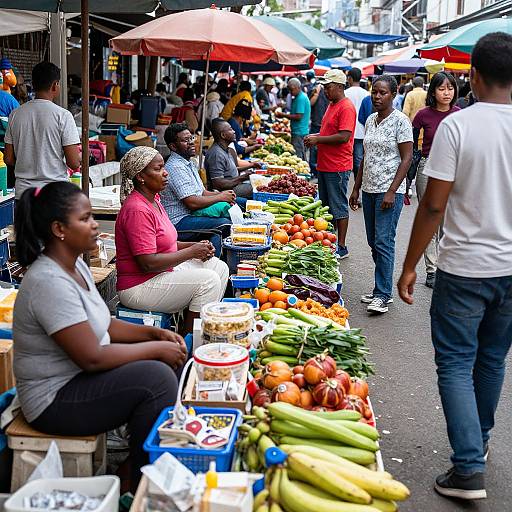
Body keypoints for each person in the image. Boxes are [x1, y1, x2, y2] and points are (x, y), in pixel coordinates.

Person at [13, 181, 187, 492]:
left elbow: (104, 324)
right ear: (58, 229)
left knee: (170, 365)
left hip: (76, 379)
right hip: (53, 399)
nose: (95, 226)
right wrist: (154, 349)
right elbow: (91, 357)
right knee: (156, 379)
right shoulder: (48, 281)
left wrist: (155, 333)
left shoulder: (75, 265)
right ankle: (139, 484)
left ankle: (135, 463)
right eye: (86, 219)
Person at [397, 32, 512, 500]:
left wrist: (408, 266)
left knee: (456, 362)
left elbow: (432, 207)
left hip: (464, 268)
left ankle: (467, 467)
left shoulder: (458, 127)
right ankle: (476, 446)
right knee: (490, 360)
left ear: (474, 76)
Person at [116, 147, 229, 336]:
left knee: (219, 268)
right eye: (158, 168)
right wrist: (191, 253)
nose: (165, 172)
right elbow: (148, 263)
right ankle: (187, 341)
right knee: (207, 281)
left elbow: (167, 245)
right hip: (138, 286)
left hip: (158, 274)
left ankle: (198, 327)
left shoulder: (154, 200)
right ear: (141, 176)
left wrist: (195, 246)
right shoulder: (137, 209)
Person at [349, 75, 413, 314]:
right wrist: (356, 188)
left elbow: (406, 158)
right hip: (368, 189)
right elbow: (365, 156)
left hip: (389, 191)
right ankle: (382, 285)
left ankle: (383, 294)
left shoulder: (401, 121)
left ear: (393, 95)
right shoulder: (370, 119)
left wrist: (392, 190)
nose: (377, 96)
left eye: (382, 93)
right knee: (372, 241)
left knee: (384, 241)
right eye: (374, 92)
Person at [3, 62, 80, 200]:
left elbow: (8, 158)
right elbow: (73, 163)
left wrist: (27, 162)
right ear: (55, 85)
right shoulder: (63, 116)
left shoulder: (15, 114)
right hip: (53, 195)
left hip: (24, 195)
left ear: (33, 84)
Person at [412, 72, 460, 289]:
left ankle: (446, 268)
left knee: (448, 222)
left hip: (453, 169)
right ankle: (432, 270)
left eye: (450, 88)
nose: (446, 92)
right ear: (433, 92)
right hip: (427, 167)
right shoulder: (423, 115)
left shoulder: (460, 115)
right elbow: (413, 145)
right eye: (442, 88)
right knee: (430, 218)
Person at [160, 123, 234, 257]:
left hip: (192, 214)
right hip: (178, 222)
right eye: (185, 140)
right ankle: (215, 265)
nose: (191, 143)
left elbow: (202, 192)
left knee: (235, 206)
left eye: (191, 138)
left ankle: (216, 259)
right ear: (173, 146)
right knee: (223, 225)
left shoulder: (188, 162)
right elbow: (192, 202)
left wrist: (223, 195)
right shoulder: (175, 167)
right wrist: (220, 197)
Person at [304, 69, 356, 259]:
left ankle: (341, 246)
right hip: (325, 164)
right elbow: (328, 131)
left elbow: (344, 136)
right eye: (325, 87)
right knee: (326, 207)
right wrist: (316, 136)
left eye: (329, 87)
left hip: (338, 166)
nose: (325, 90)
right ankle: (329, 241)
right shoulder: (331, 104)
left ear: (340, 87)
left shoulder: (346, 107)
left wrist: (318, 140)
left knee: (338, 206)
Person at [204, 118, 257, 199]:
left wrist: (251, 166)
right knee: (257, 189)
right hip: (226, 192)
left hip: (234, 185)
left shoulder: (226, 149)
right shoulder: (216, 154)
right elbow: (218, 184)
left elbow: (232, 170)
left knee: (258, 185)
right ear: (223, 135)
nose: (234, 131)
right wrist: (243, 177)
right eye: (230, 129)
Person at [275, 77, 311, 160]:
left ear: (298, 87)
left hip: (299, 132)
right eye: (290, 90)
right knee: (299, 154)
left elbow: (298, 116)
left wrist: (283, 115)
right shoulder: (298, 97)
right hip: (298, 131)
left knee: (299, 156)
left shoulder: (301, 98)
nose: (290, 92)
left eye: (292, 90)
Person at [345, 68, 370, 179]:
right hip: (361, 131)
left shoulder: (345, 93)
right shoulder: (367, 94)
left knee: (346, 156)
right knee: (358, 158)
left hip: (346, 130)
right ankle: (358, 180)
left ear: (349, 78)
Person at [308, 76, 329, 176]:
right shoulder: (316, 90)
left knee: (321, 149)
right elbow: (310, 103)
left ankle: (318, 170)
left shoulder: (330, 93)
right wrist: (315, 93)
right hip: (317, 123)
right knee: (314, 148)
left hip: (323, 125)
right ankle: (314, 169)